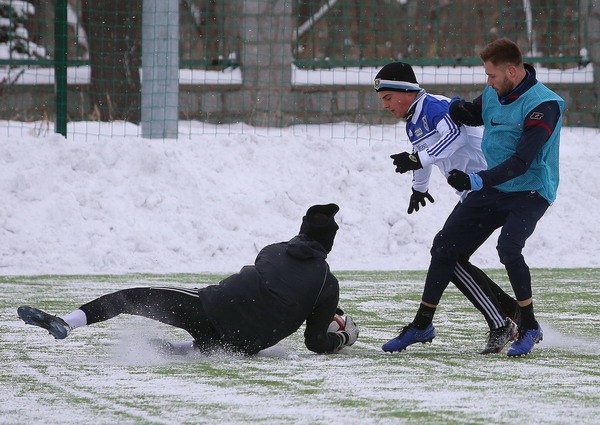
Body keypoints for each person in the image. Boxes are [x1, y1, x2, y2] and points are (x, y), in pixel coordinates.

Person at [385, 38, 565, 357]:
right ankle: (423, 324)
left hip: (527, 189)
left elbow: (519, 162)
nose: (488, 81)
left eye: (491, 75)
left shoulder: (544, 105)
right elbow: (471, 114)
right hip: (492, 187)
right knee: (445, 248)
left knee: (506, 249)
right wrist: (456, 108)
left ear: (511, 71)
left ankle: (525, 325)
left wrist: (473, 178)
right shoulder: (493, 92)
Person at [17, 203, 359, 356]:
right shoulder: (327, 285)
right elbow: (315, 342)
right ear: (330, 243)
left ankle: (67, 323)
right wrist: (341, 336)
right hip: (242, 345)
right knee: (214, 345)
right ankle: (177, 350)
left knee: (131, 298)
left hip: (211, 309)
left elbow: (272, 282)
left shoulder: (273, 250)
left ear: (301, 230)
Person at [374, 61, 520, 354]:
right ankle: (511, 311)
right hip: (476, 192)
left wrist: (419, 159)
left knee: (444, 251)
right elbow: (421, 153)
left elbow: (454, 136)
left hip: (492, 187)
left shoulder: (434, 107)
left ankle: (494, 323)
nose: (385, 105)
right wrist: (419, 188)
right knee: (449, 256)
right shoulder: (414, 120)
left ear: (406, 92)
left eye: (388, 98)